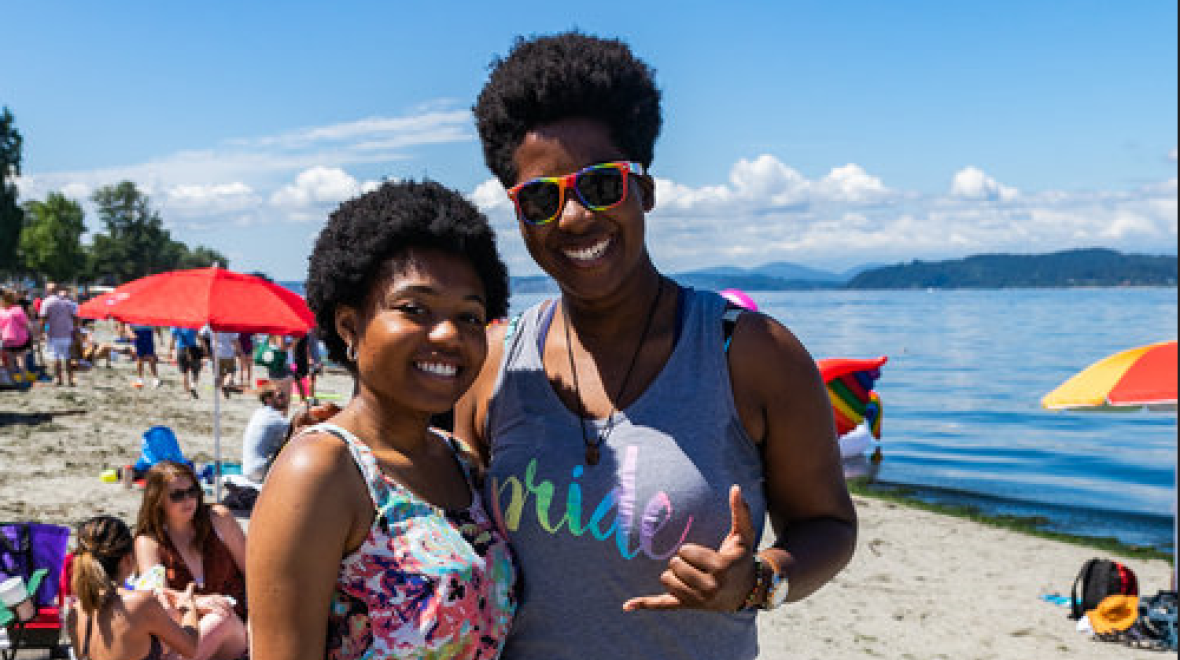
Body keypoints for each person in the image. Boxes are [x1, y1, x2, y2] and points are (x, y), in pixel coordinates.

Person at [456, 32, 858, 660]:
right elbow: (444, 512)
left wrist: (758, 581)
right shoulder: (493, 365)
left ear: (644, 190)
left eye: (601, 186)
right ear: (518, 213)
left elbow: (827, 524)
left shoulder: (752, 355)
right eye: (541, 197)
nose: (574, 217)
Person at [247, 180, 516, 660]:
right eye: (415, 309)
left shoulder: (459, 460)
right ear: (349, 326)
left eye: (470, 317)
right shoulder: (322, 470)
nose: (448, 334)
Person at [66, 515, 233, 660]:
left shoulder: (75, 612)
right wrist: (188, 606)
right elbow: (190, 648)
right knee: (222, 618)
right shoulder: (139, 603)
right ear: (127, 559)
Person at [134, 461, 248, 659]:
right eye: (177, 495)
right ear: (158, 500)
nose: (188, 499)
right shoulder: (149, 541)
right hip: (184, 631)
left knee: (220, 617)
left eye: (192, 491)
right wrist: (197, 601)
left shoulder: (218, 518)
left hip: (234, 627)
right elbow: (157, 598)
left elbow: (254, 573)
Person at [241, 382, 291, 483]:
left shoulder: (260, 412)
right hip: (259, 470)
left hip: (249, 469)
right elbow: (297, 431)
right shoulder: (272, 417)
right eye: (280, 396)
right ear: (268, 400)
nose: (285, 399)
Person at [39, 282, 78, 386]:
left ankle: (58, 378)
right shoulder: (67, 302)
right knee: (68, 357)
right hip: (67, 332)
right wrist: (75, 329)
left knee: (56, 357)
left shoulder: (46, 302)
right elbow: (75, 317)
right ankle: (71, 379)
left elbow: (43, 319)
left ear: (48, 291)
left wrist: (42, 332)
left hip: (53, 333)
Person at [0, 288, 32, 382]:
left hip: (6, 338)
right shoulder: (18, 309)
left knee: (10, 360)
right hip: (20, 338)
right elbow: (24, 323)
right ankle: (23, 379)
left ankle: (12, 380)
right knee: (21, 359)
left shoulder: (1, 311)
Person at [200, 325, 240, 398]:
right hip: (229, 354)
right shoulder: (231, 325)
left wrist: (205, 348)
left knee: (219, 374)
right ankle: (226, 385)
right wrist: (238, 351)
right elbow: (235, 340)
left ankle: (224, 391)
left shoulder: (210, 324)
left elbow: (200, 334)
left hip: (216, 354)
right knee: (230, 372)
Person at [169, 327, 204, 398]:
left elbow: (172, 341)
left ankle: (187, 393)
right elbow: (200, 338)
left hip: (181, 350)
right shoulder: (192, 325)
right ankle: (193, 386)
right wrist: (205, 348)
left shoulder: (175, 327)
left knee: (185, 373)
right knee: (196, 371)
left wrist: (170, 352)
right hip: (193, 349)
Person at [128, 323, 162, 388]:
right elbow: (128, 325)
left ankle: (155, 378)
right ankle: (140, 379)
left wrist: (160, 337)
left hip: (148, 331)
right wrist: (130, 334)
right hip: (138, 332)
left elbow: (157, 324)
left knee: (151, 357)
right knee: (140, 357)